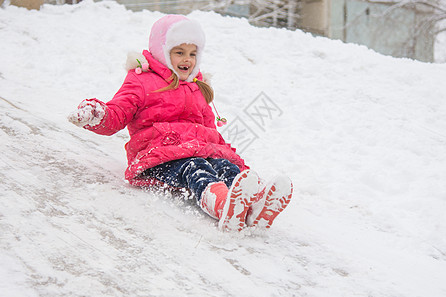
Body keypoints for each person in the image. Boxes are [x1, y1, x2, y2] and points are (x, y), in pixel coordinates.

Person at [68, 14, 292, 231]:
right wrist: (97, 114)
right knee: (196, 168)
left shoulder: (198, 86)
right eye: (179, 52)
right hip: (158, 154)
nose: (187, 59)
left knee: (224, 166)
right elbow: (118, 113)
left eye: (193, 54)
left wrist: (220, 152)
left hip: (196, 148)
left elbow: (209, 128)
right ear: (162, 52)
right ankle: (223, 205)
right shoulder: (141, 81)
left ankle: (253, 205)